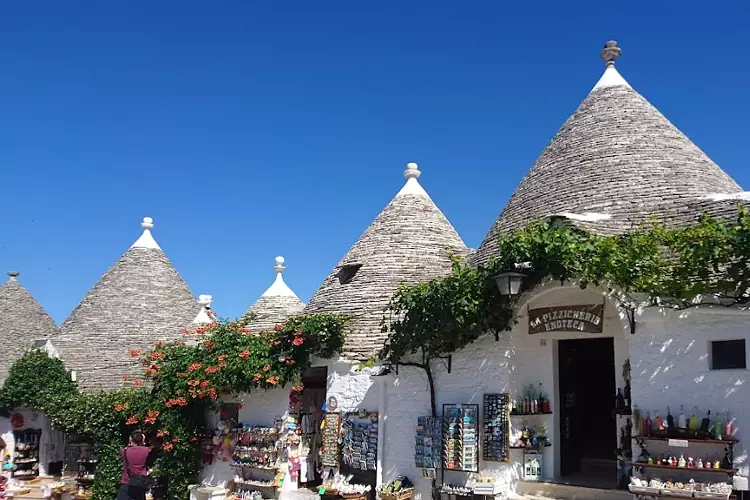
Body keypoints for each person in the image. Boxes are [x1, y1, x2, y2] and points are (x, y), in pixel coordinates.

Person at [116, 432, 150, 500]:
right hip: (140, 482)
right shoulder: (146, 451)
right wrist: (142, 443)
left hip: (127, 481)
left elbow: (125, 451)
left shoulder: (124, 451)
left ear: (131, 439)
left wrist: (130, 442)